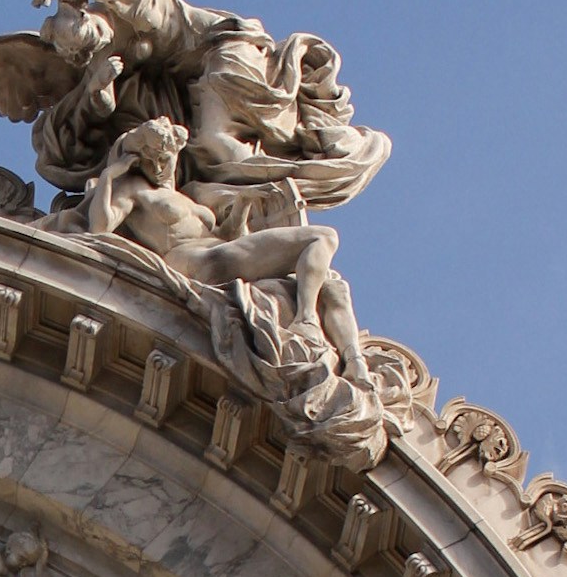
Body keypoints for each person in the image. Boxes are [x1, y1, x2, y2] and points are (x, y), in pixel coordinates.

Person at [88, 118, 374, 392]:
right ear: (136, 160)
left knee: (334, 286)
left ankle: (355, 364)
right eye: (150, 156)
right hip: (195, 262)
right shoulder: (134, 189)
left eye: (166, 154)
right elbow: (100, 227)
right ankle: (306, 318)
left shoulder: (190, 194)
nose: (160, 163)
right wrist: (108, 177)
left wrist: (245, 202)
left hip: (221, 251)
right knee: (322, 237)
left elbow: (231, 235)